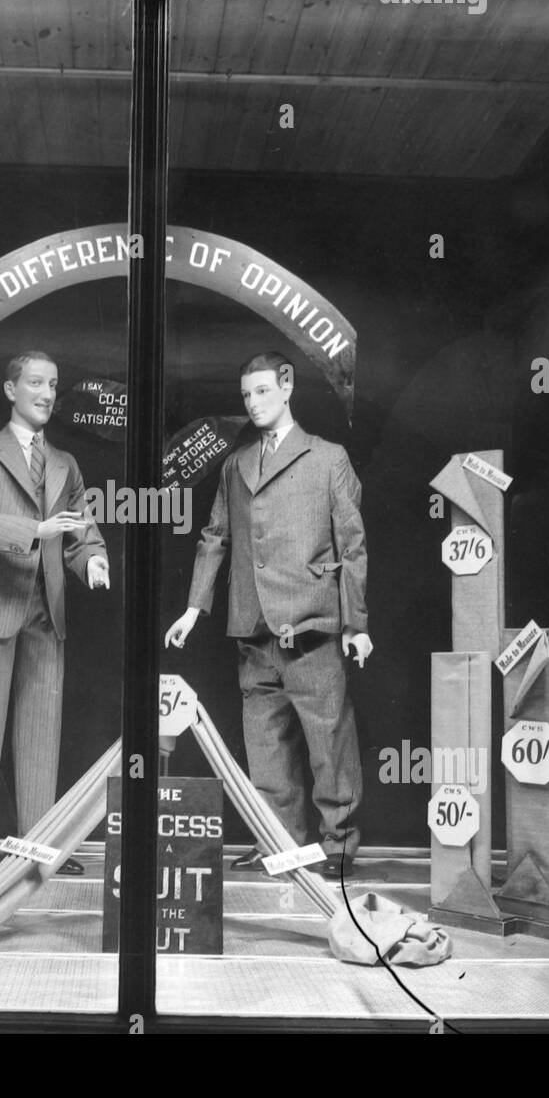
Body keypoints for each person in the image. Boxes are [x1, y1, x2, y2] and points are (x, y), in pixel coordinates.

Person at [165, 351, 372, 880]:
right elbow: (216, 536)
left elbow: (353, 546)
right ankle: (280, 843)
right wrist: (194, 607)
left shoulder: (328, 458)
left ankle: (340, 846)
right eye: (246, 396)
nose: (253, 403)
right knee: (266, 745)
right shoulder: (236, 465)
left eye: (261, 391)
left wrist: (356, 625)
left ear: (286, 386)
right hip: (253, 625)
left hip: (311, 623)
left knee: (329, 741)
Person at [0, 351, 110, 877]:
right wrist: (32, 532)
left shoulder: (64, 463)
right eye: (35, 382)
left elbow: (80, 528)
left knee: (41, 732)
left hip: (46, 609)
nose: (46, 393)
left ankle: (38, 845)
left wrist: (94, 560)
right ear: (10, 389)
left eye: (53, 384)